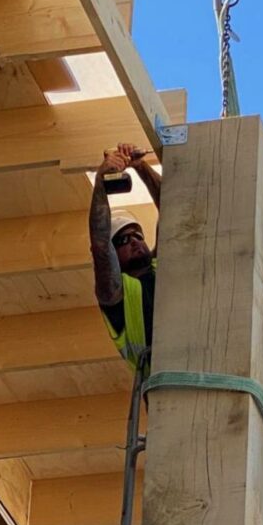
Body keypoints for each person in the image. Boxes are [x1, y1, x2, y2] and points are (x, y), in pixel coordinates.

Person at [89, 143, 161, 371]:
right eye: (123, 240)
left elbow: (173, 207)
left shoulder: (164, 266)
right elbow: (100, 244)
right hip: (161, 388)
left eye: (138, 235)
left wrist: (140, 166)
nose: (134, 242)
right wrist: (101, 181)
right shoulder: (116, 293)